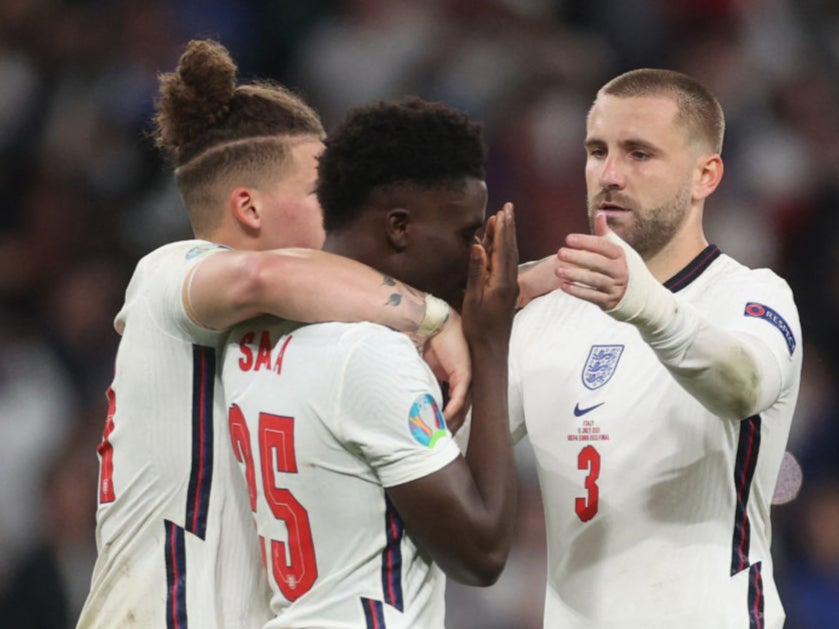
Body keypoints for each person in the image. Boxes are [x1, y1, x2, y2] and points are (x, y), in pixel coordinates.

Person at [76, 40, 475, 629]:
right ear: (250, 210)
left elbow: (388, 284)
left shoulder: (306, 321)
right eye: (322, 192)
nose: (342, 208)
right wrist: (434, 317)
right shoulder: (169, 275)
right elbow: (261, 276)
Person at [508, 68, 802, 628]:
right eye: (597, 151)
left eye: (640, 153)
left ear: (705, 176)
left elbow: (744, 385)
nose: (610, 174)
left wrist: (644, 304)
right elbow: (445, 445)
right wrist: (483, 306)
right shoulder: (545, 317)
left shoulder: (752, 296)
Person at [220, 97, 520, 627]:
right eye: (466, 233)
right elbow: (482, 552)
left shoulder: (251, 331)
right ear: (399, 227)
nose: (478, 253)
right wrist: (492, 346)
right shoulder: (369, 353)